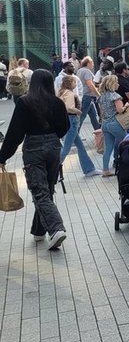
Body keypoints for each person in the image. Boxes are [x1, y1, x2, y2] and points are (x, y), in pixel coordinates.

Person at [0, 69, 70, 249]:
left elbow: (15, 133)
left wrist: (3, 156)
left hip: (33, 148)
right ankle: (39, 231)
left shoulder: (25, 102)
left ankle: (56, 229)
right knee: (47, 188)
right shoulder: (57, 102)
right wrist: (53, 137)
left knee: (40, 191)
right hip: (54, 147)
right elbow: (65, 126)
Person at [57, 75, 100, 177]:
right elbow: (69, 107)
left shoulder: (61, 92)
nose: (76, 84)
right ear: (70, 83)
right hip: (72, 120)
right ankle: (53, 169)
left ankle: (89, 169)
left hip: (67, 120)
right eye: (74, 82)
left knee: (80, 146)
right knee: (66, 148)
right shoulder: (70, 94)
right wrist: (78, 111)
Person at [97, 75, 129, 176]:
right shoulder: (115, 96)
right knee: (125, 145)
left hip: (105, 124)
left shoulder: (102, 97)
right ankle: (123, 166)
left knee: (108, 148)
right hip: (116, 124)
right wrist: (127, 106)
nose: (118, 84)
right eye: (117, 82)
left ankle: (105, 170)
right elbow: (120, 110)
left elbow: (101, 113)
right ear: (112, 84)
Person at [75, 56, 101, 132]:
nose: (93, 64)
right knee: (82, 117)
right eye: (92, 62)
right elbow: (90, 84)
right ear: (88, 63)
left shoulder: (80, 71)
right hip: (87, 96)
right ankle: (75, 136)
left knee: (93, 116)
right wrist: (98, 94)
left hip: (85, 96)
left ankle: (99, 133)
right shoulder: (87, 71)